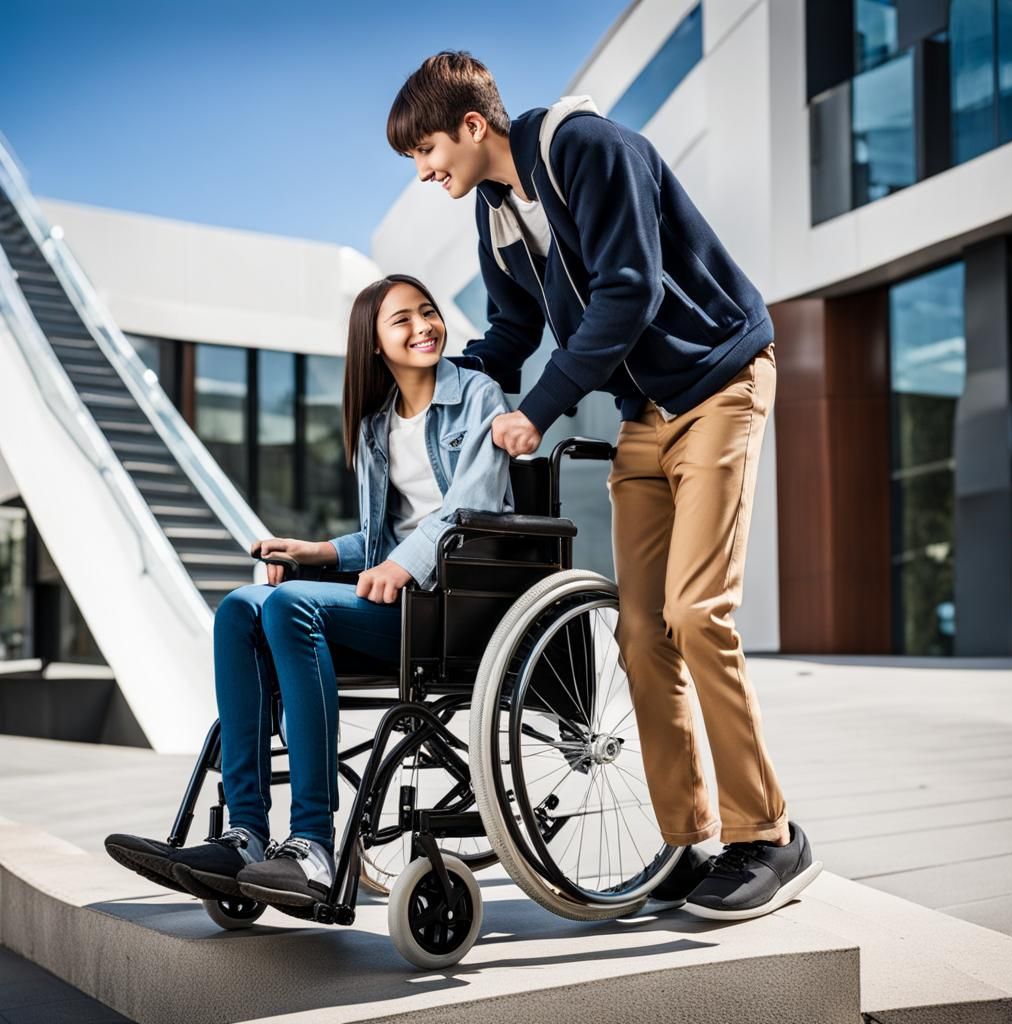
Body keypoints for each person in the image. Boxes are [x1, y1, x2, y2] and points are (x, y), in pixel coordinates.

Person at [385, 52, 821, 920]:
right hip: (643, 413)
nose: (428, 172)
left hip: (719, 383)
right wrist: (445, 381)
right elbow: (512, 329)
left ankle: (768, 836)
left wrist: (540, 410)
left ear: (473, 127)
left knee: (699, 613)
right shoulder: (498, 211)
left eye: (429, 151)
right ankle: (687, 842)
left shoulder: (588, 148)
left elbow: (627, 292)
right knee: (638, 631)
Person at [105, 274, 513, 909]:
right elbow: (384, 538)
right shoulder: (377, 427)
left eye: (427, 313)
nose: (423, 327)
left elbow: (472, 508)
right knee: (243, 607)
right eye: (401, 320)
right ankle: (244, 836)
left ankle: (314, 845)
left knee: (294, 605)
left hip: (457, 605)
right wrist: (320, 552)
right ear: (374, 344)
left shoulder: (478, 395)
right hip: (396, 598)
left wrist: (404, 565)